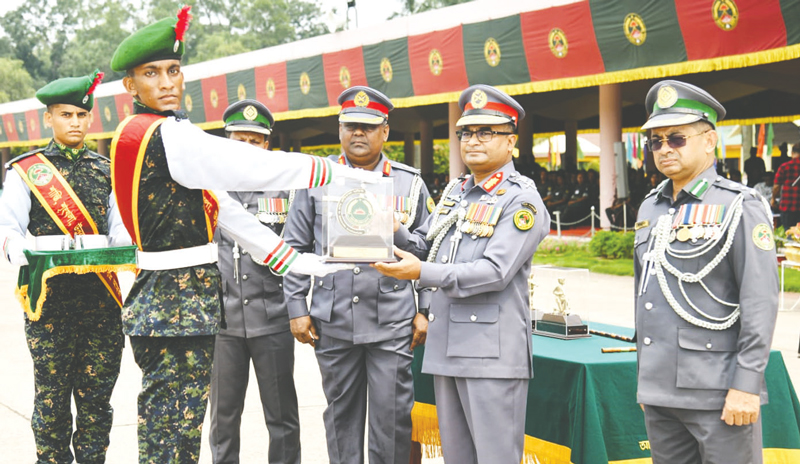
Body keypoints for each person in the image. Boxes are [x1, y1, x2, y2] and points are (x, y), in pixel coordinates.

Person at [109, 7, 371, 463]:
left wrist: (296, 262)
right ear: (130, 86)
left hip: (169, 303)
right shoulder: (166, 134)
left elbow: (224, 211)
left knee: (173, 431)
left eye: (173, 70)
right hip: (177, 305)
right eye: (152, 73)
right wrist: (334, 170)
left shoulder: (138, 131)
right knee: (173, 435)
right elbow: (252, 166)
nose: (168, 82)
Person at [374, 84, 550, 464]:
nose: (473, 140)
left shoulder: (521, 199)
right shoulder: (457, 191)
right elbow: (431, 247)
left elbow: (494, 272)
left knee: (494, 458)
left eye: (487, 132)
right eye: (466, 132)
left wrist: (421, 271)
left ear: (511, 141)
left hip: (490, 354)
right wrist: (396, 232)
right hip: (448, 346)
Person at [283, 86, 432, 464]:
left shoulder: (409, 183)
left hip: (392, 320)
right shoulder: (316, 179)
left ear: (385, 131)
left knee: (393, 419)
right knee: (340, 417)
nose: (358, 134)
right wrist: (296, 307)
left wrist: (426, 309)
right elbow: (294, 249)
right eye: (350, 126)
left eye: (368, 127)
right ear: (339, 130)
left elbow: (429, 250)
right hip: (333, 319)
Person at [634, 80, 778, 464]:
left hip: (718, 388)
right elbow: (644, 294)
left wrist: (746, 386)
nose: (664, 149)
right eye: (656, 141)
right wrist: (646, 383)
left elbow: (759, 301)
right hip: (661, 389)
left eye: (676, 138)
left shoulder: (740, 205)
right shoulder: (651, 207)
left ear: (709, 140)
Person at [0, 71, 132, 464]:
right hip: (50, 307)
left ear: (90, 118)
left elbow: (120, 225)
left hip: (101, 304)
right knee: (52, 403)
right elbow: (9, 228)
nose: (74, 122)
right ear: (49, 118)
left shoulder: (105, 169)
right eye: (65, 115)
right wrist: (29, 253)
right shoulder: (27, 171)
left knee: (97, 403)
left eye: (80, 115)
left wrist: (122, 247)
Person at [208, 99, 301, 464]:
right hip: (222, 320)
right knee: (223, 418)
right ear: (226, 139)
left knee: (282, 418)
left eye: (255, 140)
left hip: (273, 317)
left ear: (267, 144)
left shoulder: (286, 189)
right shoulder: (207, 190)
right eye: (239, 139)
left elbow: (296, 250)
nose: (247, 147)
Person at [773, 143, 800, 229]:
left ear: (792, 153)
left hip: (787, 206)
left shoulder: (784, 166)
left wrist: (773, 199)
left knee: (788, 233)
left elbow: (776, 186)